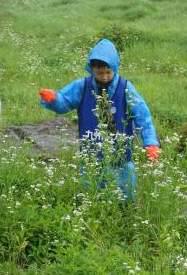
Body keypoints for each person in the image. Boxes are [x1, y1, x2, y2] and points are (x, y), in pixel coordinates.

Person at [38, 38, 161, 202]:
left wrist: (150, 143)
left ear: (115, 68)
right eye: (99, 73)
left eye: (108, 72)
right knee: (92, 189)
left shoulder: (125, 88)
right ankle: (96, 208)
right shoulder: (83, 86)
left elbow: (142, 116)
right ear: (92, 69)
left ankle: (124, 211)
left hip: (120, 151)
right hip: (91, 149)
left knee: (123, 188)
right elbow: (65, 102)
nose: (104, 77)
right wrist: (53, 99)